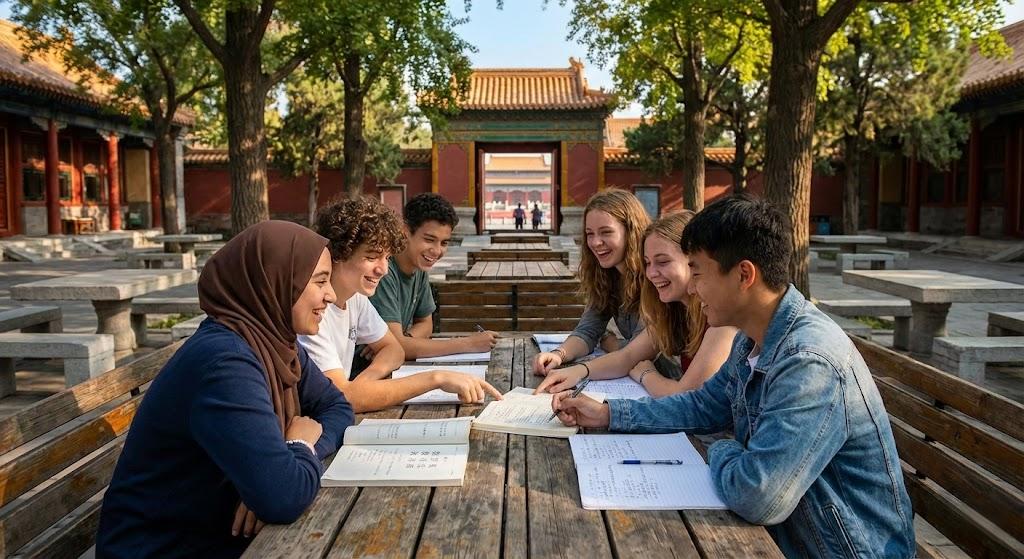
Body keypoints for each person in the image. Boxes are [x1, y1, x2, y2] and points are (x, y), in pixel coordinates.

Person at [551, 194, 915, 558]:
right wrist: (608, 414)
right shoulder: (753, 337)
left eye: (697, 272)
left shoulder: (809, 361)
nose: (691, 288)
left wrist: (725, 448)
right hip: (794, 535)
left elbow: (757, 495)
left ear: (744, 275)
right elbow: (704, 405)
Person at [97, 221, 354, 558]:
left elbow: (337, 407)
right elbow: (283, 497)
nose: (331, 294)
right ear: (274, 279)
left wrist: (287, 464)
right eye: (320, 280)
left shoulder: (274, 343)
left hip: (215, 535)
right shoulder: (226, 363)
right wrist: (297, 447)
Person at [300, 196, 502, 411]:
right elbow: (344, 397)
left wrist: (364, 382)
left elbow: (394, 348)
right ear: (340, 253)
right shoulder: (311, 311)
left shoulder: (355, 298)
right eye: (371, 257)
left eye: (387, 258)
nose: (383, 269)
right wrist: (436, 378)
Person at [536, 211, 736, 397]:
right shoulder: (674, 311)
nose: (651, 273)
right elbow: (627, 357)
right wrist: (577, 371)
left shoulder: (721, 319)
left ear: (693, 261)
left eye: (663, 262)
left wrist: (646, 374)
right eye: (648, 263)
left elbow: (687, 397)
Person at [532, 188, 650, 376]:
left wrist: (609, 342)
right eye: (590, 233)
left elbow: (638, 354)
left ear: (631, 232)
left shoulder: (654, 279)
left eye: (606, 232)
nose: (595, 242)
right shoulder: (608, 277)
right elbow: (588, 331)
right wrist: (558, 355)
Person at [367, 192, 497, 360]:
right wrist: (468, 344)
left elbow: (426, 324)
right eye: (429, 240)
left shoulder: (418, 268)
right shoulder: (383, 271)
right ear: (405, 231)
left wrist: (403, 341)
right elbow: (398, 347)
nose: (436, 251)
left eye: (444, 243)